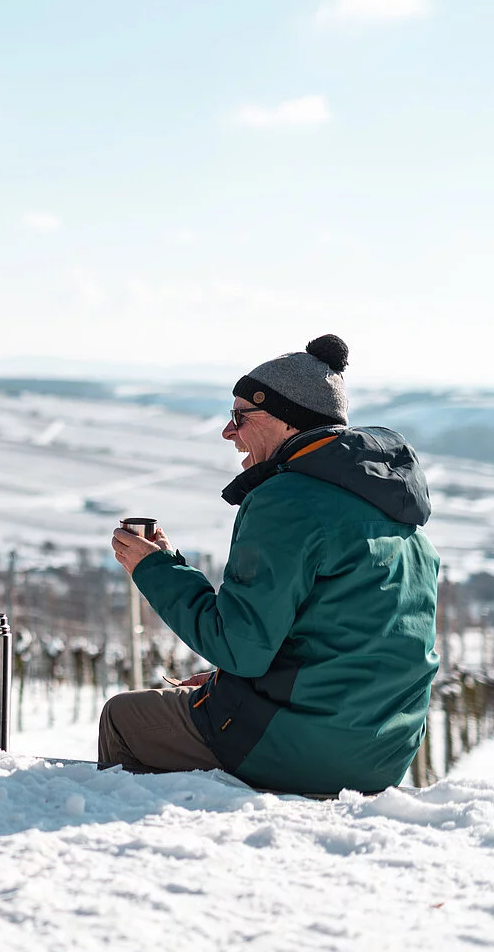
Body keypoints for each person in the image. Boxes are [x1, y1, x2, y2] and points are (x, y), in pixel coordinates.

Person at [103, 334, 439, 795]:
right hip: (384, 751)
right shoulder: (391, 505)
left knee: (126, 717)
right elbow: (338, 640)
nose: (228, 432)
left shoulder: (287, 500)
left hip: (308, 749)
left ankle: (143, 849)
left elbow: (240, 647)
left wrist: (154, 570)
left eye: (239, 417)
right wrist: (228, 685)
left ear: (287, 422)